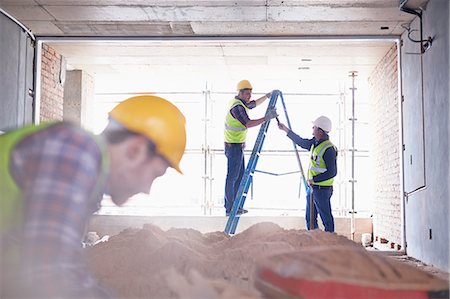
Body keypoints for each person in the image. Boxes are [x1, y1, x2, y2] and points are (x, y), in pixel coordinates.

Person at [0, 95, 187, 298]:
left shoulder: (83, 172)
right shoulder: (75, 150)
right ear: (135, 151)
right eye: (155, 174)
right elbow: (50, 275)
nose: (147, 189)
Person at [224, 79, 277, 216]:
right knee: (232, 177)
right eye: (247, 93)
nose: (249, 96)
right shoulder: (237, 107)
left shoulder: (241, 103)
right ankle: (230, 208)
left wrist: (267, 96)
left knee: (239, 176)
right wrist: (266, 118)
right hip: (233, 147)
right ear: (240, 93)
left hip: (237, 146)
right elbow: (247, 123)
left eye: (250, 93)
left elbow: (253, 104)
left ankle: (235, 207)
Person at [278, 116, 337, 232]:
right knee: (310, 219)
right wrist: (286, 130)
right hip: (313, 188)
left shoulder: (329, 149)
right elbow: (301, 142)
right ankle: (314, 241)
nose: (312, 129)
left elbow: (332, 172)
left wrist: (314, 179)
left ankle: (331, 245)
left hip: (322, 190)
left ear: (320, 131)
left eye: (314, 127)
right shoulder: (315, 143)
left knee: (326, 219)